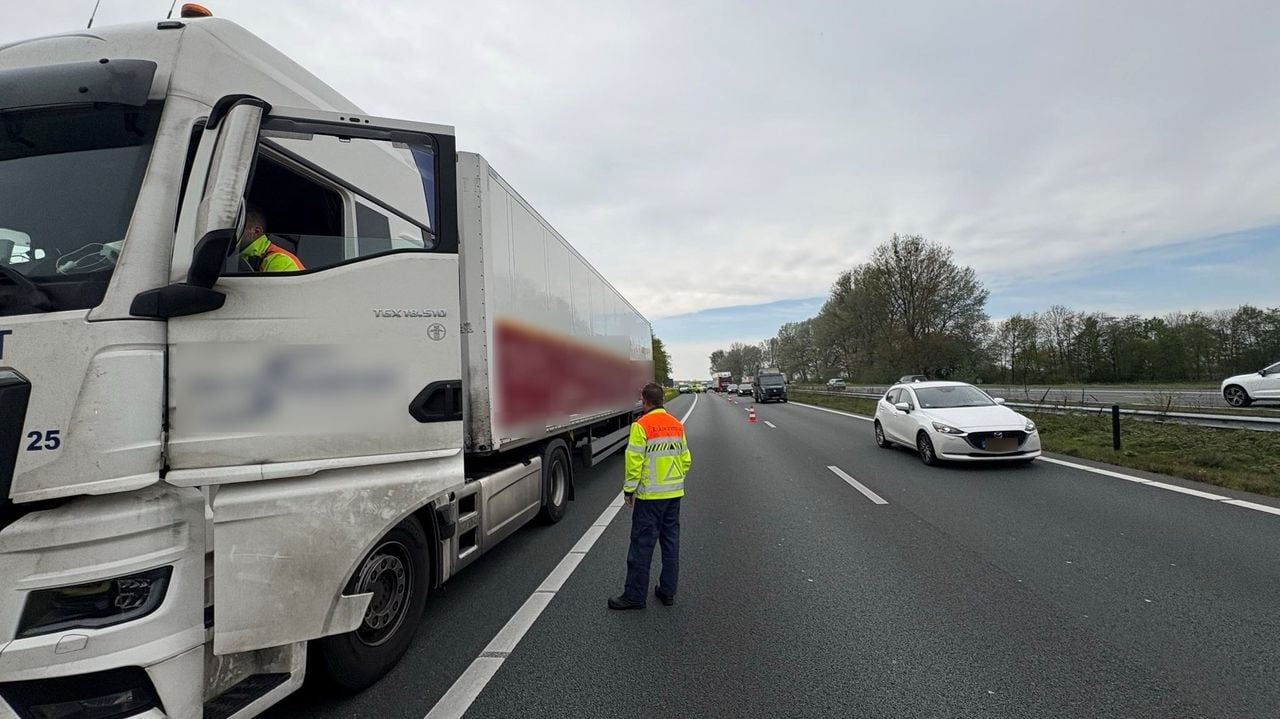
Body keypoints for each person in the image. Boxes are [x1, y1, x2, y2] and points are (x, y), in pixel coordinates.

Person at [609, 383, 692, 610]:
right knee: (670, 544)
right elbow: (685, 460)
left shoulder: (641, 425)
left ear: (645, 401)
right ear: (662, 400)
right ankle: (667, 592)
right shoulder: (676, 425)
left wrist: (629, 490)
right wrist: (672, 480)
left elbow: (634, 461)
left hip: (650, 498)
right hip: (674, 494)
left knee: (642, 547)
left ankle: (635, 596)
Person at [236, 205, 304, 273]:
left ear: (257, 231)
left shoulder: (280, 260)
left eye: (241, 227)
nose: (235, 232)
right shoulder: (255, 257)